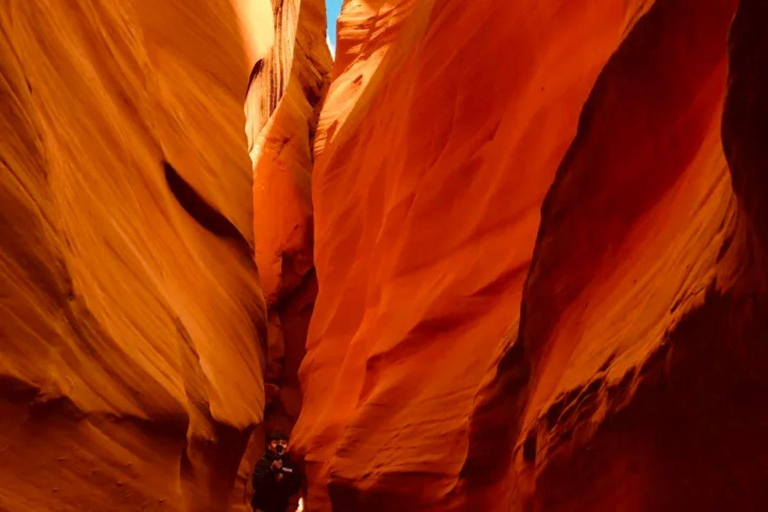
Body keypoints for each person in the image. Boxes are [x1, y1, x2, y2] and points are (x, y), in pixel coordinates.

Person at [251, 431, 302, 512]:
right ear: (269, 446)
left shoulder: (291, 465)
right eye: (276, 442)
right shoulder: (263, 462)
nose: (280, 445)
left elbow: (295, 487)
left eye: (283, 443)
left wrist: (282, 480)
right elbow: (256, 483)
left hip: (281, 508)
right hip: (262, 508)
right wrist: (271, 471)